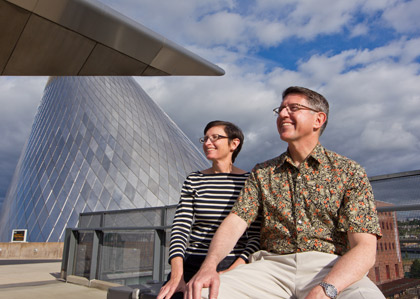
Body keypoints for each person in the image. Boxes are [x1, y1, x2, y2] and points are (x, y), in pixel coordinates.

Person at [186, 86, 385, 299]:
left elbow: (364, 248)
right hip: (271, 268)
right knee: (205, 293)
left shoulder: (348, 172)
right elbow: (235, 222)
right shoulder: (262, 172)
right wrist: (209, 266)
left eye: (293, 108)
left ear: (318, 120)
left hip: (331, 267)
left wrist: (325, 290)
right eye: (280, 109)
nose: (282, 114)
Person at [157, 120, 260, 299]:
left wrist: (231, 271)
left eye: (215, 138)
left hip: (234, 262)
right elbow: (180, 228)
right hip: (193, 260)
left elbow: (255, 235)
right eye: (204, 139)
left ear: (234, 144)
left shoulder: (249, 182)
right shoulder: (194, 180)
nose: (207, 143)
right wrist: (176, 276)